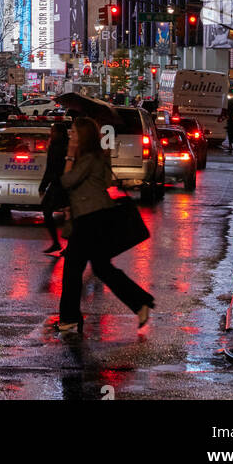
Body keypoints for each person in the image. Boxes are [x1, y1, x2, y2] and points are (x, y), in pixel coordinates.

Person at [57, 116, 154, 335]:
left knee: (73, 270)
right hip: (92, 218)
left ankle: (69, 319)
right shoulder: (94, 158)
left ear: (83, 136)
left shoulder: (89, 159)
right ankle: (140, 303)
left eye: (74, 132)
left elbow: (67, 181)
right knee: (101, 268)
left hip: (90, 220)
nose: (70, 135)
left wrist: (70, 155)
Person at [39, 121, 70, 256]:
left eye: (53, 131)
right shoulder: (53, 146)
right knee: (47, 210)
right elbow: (50, 167)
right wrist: (44, 185)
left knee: (69, 214)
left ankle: (68, 245)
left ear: (60, 133)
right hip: (55, 184)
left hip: (64, 184)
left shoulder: (68, 147)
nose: (51, 134)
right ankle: (56, 242)